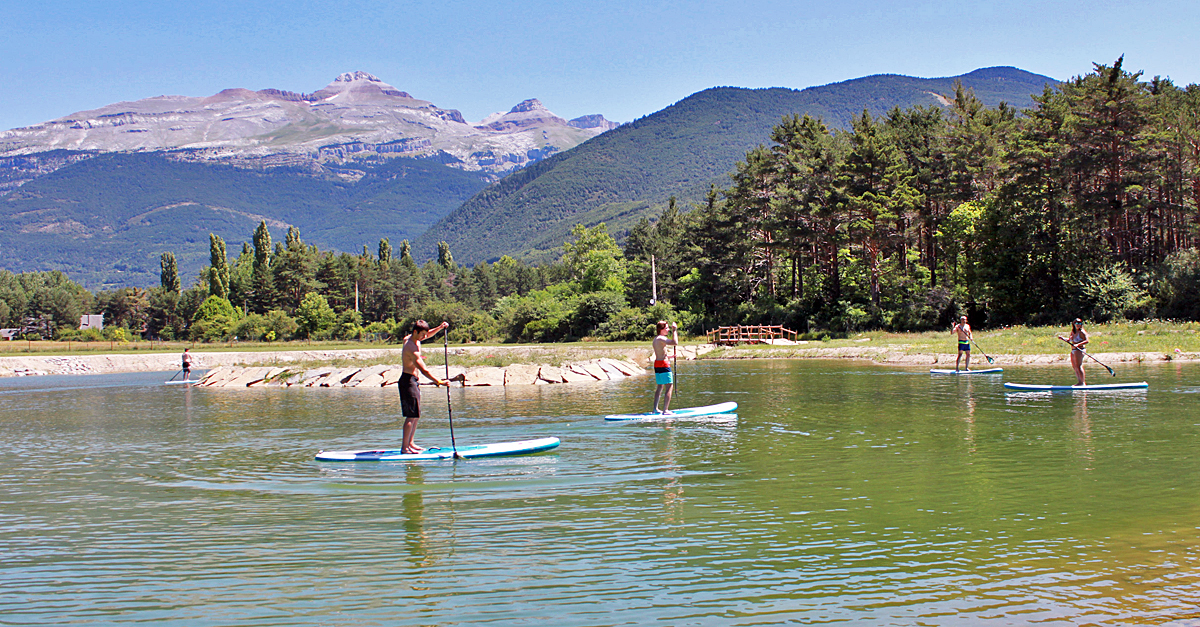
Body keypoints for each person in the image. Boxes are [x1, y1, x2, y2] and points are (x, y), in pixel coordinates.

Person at [399, 319, 450, 454]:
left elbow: (428, 334)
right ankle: (405, 448)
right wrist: (439, 381)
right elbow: (424, 370)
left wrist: (439, 327)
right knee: (411, 416)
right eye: (422, 335)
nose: (424, 337)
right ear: (415, 332)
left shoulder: (414, 339)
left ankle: (411, 443)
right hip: (407, 381)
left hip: (413, 381)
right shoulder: (411, 347)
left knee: (416, 414)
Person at [652, 320, 679, 413]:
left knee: (660, 386)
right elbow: (675, 342)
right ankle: (665, 410)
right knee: (669, 386)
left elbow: (661, 353)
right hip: (663, 364)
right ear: (661, 329)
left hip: (657, 364)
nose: (668, 330)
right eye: (666, 328)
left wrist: (670, 356)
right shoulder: (661, 338)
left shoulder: (656, 339)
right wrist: (675, 330)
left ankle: (655, 409)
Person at [1059, 318, 1089, 386]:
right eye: (1077, 323)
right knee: (1074, 366)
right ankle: (1079, 382)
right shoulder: (1073, 332)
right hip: (1073, 350)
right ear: (1074, 324)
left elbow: (1087, 341)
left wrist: (1078, 344)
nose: (1078, 325)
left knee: (1079, 366)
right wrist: (1063, 338)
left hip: (1079, 350)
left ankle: (1082, 383)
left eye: (1080, 323)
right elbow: (1070, 340)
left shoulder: (1082, 332)